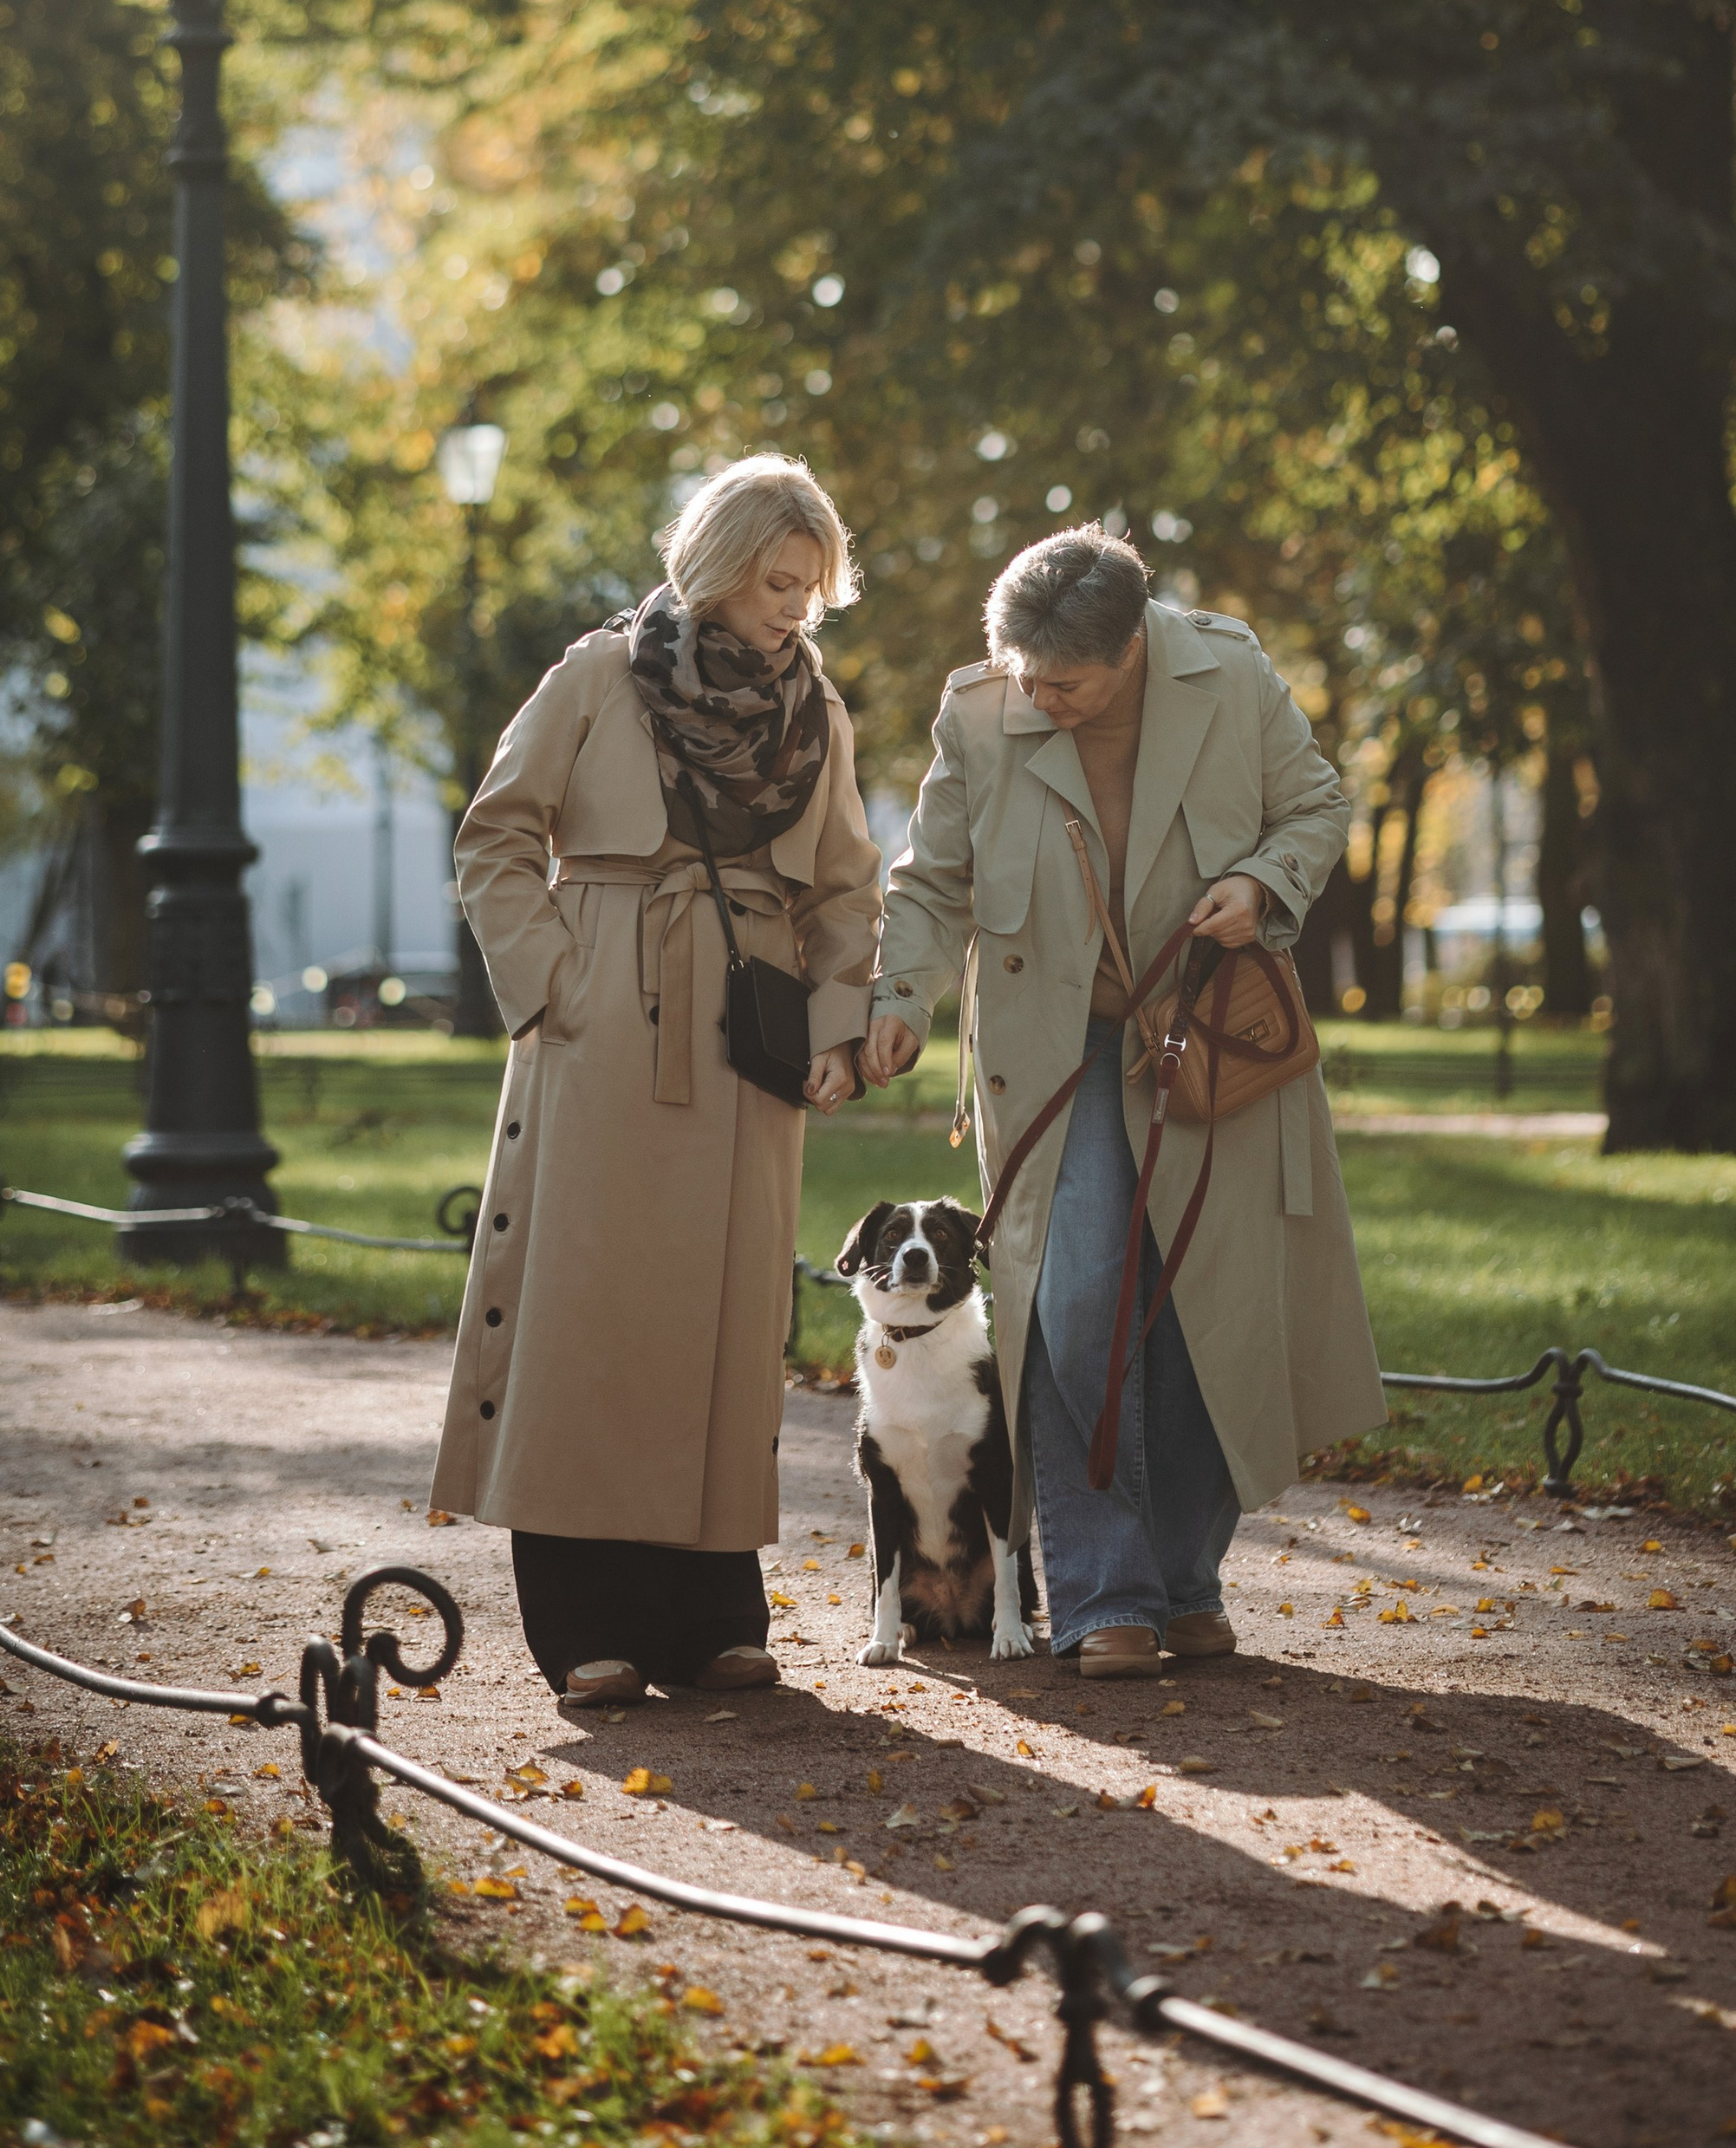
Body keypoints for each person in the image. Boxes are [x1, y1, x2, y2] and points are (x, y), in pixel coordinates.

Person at [861, 526, 1383, 1681]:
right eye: (1023, 677)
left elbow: (1317, 807)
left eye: (1065, 684)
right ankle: (1106, 1594)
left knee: (1208, 1307)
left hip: (1204, 1038)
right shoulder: (979, 709)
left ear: (1132, 646)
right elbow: (930, 878)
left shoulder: (1230, 673)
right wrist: (899, 998)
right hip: (1051, 1053)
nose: (1036, 698)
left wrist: (1261, 882)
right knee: (1076, 1295)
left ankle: (1187, 1584)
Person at [430, 454, 881, 1706]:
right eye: (779, 580)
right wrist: (557, 986)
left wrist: (838, 1029)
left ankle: (712, 1616)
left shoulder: (816, 714)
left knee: (728, 1324)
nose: (796, 606)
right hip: (606, 1023)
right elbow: (498, 835)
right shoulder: (594, 675)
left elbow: (848, 886)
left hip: (754, 1032)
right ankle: (586, 1625)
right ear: (722, 563)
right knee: (591, 1315)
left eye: (813, 587)